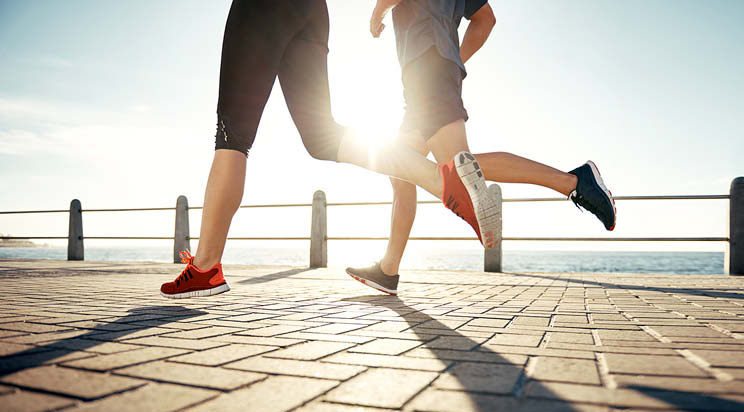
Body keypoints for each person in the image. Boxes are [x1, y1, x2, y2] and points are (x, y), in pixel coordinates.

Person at [160, 0, 500, 299]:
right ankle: (441, 181)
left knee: (231, 135)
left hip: (261, 8)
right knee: (322, 137)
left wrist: (379, 10)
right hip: (312, 11)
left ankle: (206, 266)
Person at [345, 0, 617, 296]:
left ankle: (575, 182)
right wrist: (452, 56)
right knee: (402, 169)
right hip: (430, 68)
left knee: (456, 168)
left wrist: (376, 15)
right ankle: (388, 269)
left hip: (427, 67)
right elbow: (485, 19)